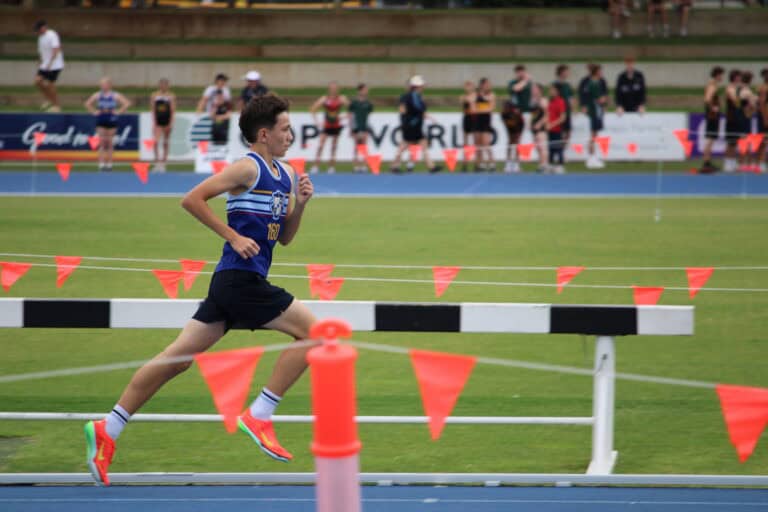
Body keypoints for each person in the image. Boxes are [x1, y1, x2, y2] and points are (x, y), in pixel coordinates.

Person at [84, 93, 316, 487]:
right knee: (317, 333)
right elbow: (192, 199)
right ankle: (259, 414)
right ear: (264, 133)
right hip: (239, 281)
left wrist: (301, 205)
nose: (290, 136)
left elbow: (285, 239)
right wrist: (232, 235)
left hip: (236, 281)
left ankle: (108, 428)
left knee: (176, 360)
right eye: (285, 129)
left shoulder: (288, 175)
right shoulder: (247, 168)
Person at [390, 75, 442, 174]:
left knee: (422, 143)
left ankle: (430, 166)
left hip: (415, 125)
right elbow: (411, 110)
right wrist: (409, 120)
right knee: (405, 145)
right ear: (417, 86)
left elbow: (412, 110)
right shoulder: (412, 96)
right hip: (412, 125)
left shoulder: (414, 96)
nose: (423, 87)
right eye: (421, 85)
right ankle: (394, 166)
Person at [84, 77, 131, 172]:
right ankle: (101, 164)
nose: (103, 86)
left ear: (109, 85)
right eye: (102, 84)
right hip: (101, 119)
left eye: (105, 84)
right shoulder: (97, 95)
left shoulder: (115, 95)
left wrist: (119, 111)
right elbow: (87, 103)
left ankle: (109, 164)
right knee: (102, 143)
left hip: (112, 119)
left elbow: (127, 103)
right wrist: (94, 112)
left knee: (109, 143)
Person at [309, 82, 349, 174]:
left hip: (336, 125)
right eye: (332, 88)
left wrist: (344, 116)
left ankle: (331, 167)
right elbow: (313, 108)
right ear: (329, 89)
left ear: (338, 89)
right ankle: (316, 166)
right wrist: (317, 122)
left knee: (334, 147)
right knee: (321, 146)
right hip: (327, 125)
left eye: (335, 88)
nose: (334, 90)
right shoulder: (325, 99)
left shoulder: (341, 99)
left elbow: (351, 108)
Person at [579, 63, 609, 169]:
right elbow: (599, 98)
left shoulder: (595, 82)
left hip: (596, 111)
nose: (602, 73)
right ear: (596, 72)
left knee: (595, 135)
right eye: (600, 71)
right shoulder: (594, 83)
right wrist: (604, 100)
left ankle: (593, 156)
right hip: (594, 111)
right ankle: (591, 157)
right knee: (593, 135)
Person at [34, 20, 64, 113]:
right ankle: (48, 99)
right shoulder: (40, 38)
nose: (38, 32)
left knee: (51, 85)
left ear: (43, 27)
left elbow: (56, 49)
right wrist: (40, 62)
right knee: (37, 81)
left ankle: (57, 106)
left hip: (55, 65)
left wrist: (50, 63)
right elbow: (41, 52)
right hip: (45, 64)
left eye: (39, 29)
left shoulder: (52, 35)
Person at [700, 66, 724, 174]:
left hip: (712, 115)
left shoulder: (713, 85)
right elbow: (707, 99)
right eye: (721, 74)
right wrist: (713, 108)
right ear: (717, 75)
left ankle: (708, 162)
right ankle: (706, 162)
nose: (722, 77)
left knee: (711, 138)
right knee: (710, 139)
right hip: (712, 116)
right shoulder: (712, 86)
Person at [150, 78, 175, 173]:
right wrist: (154, 122)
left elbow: (172, 110)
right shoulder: (154, 95)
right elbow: (153, 110)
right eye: (162, 84)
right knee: (155, 141)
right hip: (158, 122)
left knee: (165, 142)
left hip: (167, 121)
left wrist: (171, 123)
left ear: (168, 86)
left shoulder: (171, 96)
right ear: (159, 85)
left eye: (165, 85)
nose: (164, 86)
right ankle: (157, 162)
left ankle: (164, 163)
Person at [347, 83, 374, 173]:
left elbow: (368, 114)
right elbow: (350, 115)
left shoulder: (368, 103)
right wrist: (351, 128)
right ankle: (356, 165)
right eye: (365, 89)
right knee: (356, 146)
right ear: (360, 90)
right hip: (356, 126)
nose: (366, 91)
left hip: (364, 126)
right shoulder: (354, 102)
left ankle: (364, 165)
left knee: (364, 146)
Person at [552, 64, 575, 169]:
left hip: (567, 112)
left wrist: (573, 108)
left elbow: (571, 98)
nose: (567, 73)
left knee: (568, 133)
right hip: (559, 112)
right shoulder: (556, 84)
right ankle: (557, 154)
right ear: (561, 72)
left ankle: (562, 152)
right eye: (566, 71)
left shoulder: (568, 85)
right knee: (559, 134)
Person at [474, 78, 496, 172]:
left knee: (486, 143)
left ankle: (492, 163)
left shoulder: (491, 95)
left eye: (489, 84)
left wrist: (478, 110)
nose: (488, 86)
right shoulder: (476, 95)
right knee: (478, 144)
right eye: (487, 84)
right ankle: (480, 163)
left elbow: (490, 108)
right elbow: (472, 106)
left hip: (486, 121)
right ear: (482, 85)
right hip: (477, 121)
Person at [723, 69, 743, 173]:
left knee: (736, 142)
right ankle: (727, 162)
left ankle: (733, 161)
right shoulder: (730, 88)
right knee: (730, 141)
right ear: (734, 77)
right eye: (738, 76)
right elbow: (736, 102)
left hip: (738, 117)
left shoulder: (738, 88)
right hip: (731, 117)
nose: (740, 78)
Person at [739, 71, 758, 172]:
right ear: (750, 80)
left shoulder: (742, 89)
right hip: (745, 117)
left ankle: (744, 163)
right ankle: (745, 163)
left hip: (744, 116)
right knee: (746, 141)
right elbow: (753, 104)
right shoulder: (746, 91)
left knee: (745, 140)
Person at [547, 84, 567, 174]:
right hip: (549, 129)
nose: (551, 92)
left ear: (557, 91)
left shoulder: (560, 101)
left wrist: (552, 124)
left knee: (558, 148)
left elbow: (563, 117)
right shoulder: (550, 101)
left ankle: (560, 165)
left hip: (557, 129)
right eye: (550, 90)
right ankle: (550, 165)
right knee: (550, 148)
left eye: (553, 90)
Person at [501, 97, 524, 174]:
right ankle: (508, 163)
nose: (504, 108)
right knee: (509, 143)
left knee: (517, 143)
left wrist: (517, 135)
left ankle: (517, 164)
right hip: (510, 129)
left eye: (506, 107)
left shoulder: (516, 113)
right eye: (504, 107)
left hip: (519, 127)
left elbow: (520, 124)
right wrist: (510, 136)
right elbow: (506, 125)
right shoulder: (503, 114)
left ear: (510, 107)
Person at [530, 84, 549, 174]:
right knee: (537, 147)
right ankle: (541, 164)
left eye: (534, 89)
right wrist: (530, 123)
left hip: (541, 127)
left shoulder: (543, 101)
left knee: (542, 146)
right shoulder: (533, 101)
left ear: (539, 91)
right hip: (534, 126)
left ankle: (545, 165)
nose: (533, 91)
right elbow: (533, 114)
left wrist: (540, 123)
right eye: (532, 89)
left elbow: (547, 115)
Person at [459, 80, 476, 172]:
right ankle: (465, 163)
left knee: (474, 141)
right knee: (466, 143)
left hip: (474, 118)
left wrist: (471, 100)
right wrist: (469, 100)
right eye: (466, 86)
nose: (468, 88)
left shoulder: (475, 96)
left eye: (470, 86)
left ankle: (476, 163)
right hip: (466, 118)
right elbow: (463, 104)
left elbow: (474, 108)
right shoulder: (463, 97)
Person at [758, 68, 768, 173]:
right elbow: (762, 104)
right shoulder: (764, 88)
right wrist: (765, 119)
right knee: (764, 141)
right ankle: (761, 163)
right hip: (765, 118)